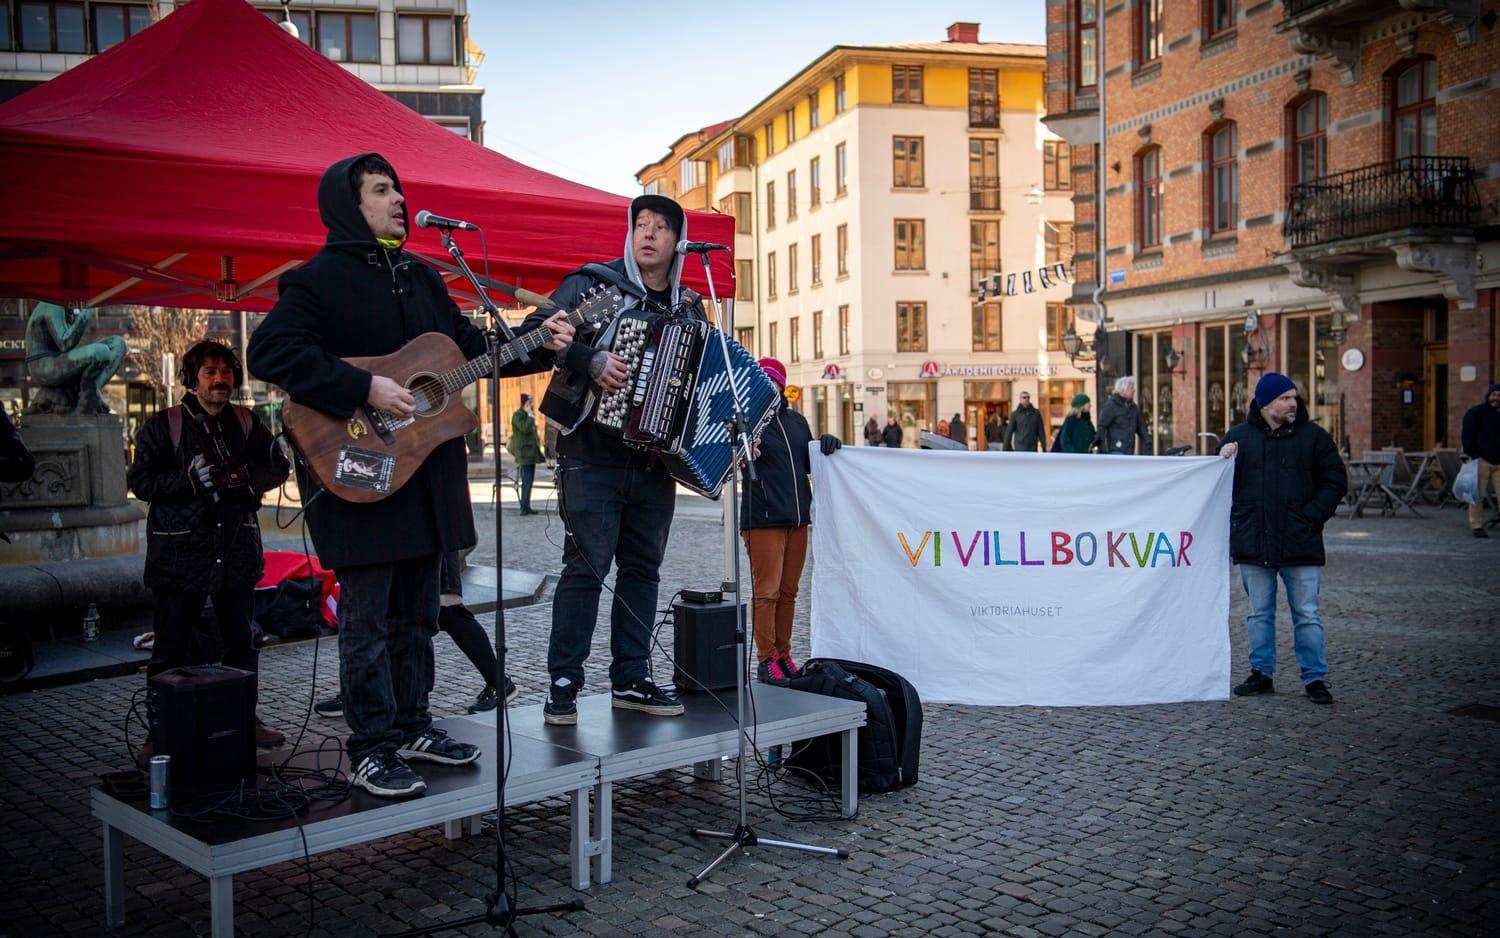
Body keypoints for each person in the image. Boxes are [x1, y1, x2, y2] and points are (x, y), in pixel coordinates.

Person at [247, 153, 574, 797]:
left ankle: (413, 724)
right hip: (360, 471)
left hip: (426, 479)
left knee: (419, 615)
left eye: (398, 188)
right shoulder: (318, 280)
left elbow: (473, 355)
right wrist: (365, 385)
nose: (398, 198)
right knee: (366, 620)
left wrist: (537, 338)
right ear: (349, 205)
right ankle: (370, 745)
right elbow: (270, 351)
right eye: (380, 189)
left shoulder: (424, 277)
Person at [521, 194, 704, 727]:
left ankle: (631, 677)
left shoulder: (689, 308)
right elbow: (536, 339)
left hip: (653, 464)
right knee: (585, 570)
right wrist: (587, 357)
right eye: (640, 224)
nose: (647, 233)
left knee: (643, 571)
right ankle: (563, 684)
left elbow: (702, 379)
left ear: (678, 241)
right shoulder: (591, 284)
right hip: (590, 455)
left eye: (661, 227)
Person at [127, 341, 291, 763]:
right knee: (170, 649)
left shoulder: (247, 421)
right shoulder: (164, 426)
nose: (221, 379)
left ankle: (245, 721)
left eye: (227, 371)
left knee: (242, 644)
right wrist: (190, 481)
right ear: (191, 378)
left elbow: (278, 465)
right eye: (210, 372)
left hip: (235, 551)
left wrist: (246, 483)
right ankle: (159, 734)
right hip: (182, 554)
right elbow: (142, 482)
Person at [1220, 373, 1347, 705]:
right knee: (1259, 612)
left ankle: (1314, 677)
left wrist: (1312, 516)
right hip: (1255, 542)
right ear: (1265, 404)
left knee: (1307, 613)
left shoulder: (1315, 438)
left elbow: (1335, 480)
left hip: (1299, 541)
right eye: (1285, 398)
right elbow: (1219, 488)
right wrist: (1222, 459)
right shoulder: (1238, 438)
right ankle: (1261, 673)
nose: (1293, 403)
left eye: (1294, 397)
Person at [315, 550, 519, 719]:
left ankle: (499, 682)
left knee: (447, 610)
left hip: (430, 532)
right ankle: (365, 692)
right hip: (394, 538)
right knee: (387, 611)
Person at [740, 358, 842, 685]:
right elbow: (732, 462)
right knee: (767, 592)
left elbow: (812, 464)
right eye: (763, 380)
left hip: (798, 519)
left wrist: (829, 446)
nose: (769, 386)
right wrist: (743, 453)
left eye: (774, 381)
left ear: (782, 386)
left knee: (788, 591)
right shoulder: (746, 422)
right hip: (764, 518)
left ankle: (783, 655)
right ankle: (765, 659)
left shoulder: (796, 421)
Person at [1459, 383, 1500, 537]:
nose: (1496, 398)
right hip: (1481, 460)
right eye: (1493, 394)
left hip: (1499, 462)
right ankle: (1476, 525)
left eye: (1499, 395)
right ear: (1488, 395)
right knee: (1477, 495)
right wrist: (1474, 455)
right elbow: (1467, 435)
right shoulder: (1476, 412)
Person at [508, 393, 544, 515]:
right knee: (526, 482)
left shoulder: (527, 415)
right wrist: (529, 415)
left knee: (529, 482)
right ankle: (524, 508)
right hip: (524, 454)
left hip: (530, 453)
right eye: (530, 402)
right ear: (525, 403)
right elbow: (525, 428)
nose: (533, 405)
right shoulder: (518, 415)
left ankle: (527, 506)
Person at [1095, 376, 1150, 455]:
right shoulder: (1111, 405)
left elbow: (1139, 426)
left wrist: (1148, 441)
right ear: (1123, 390)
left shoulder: (1133, 407)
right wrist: (1102, 448)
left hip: (1129, 449)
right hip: (1115, 449)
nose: (1134, 390)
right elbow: (1102, 426)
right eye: (1131, 388)